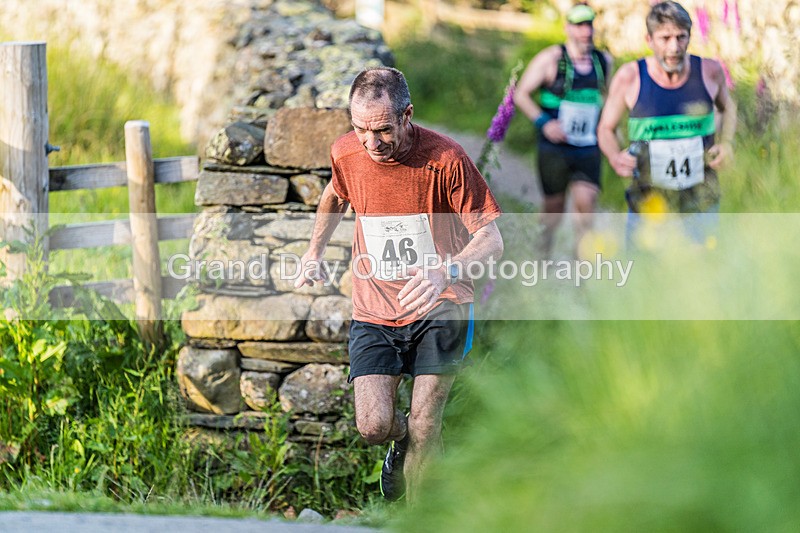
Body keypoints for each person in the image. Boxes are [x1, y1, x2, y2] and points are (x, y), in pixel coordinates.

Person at [293, 67, 503, 502]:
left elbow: (491, 239)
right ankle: (399, 440)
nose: (371, 143)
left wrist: (446, 270)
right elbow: (335, 194)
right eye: (360, 130)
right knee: (373, 425)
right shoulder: (347, 153)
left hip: (442, 303)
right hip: (374, 310)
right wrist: (314, 250)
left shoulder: (446, 159)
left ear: (407, 115)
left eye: (384, 130)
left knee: (428, 423)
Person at [597, 0, 736, 243]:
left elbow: (728, 107)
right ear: (649, 39)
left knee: (702, 277)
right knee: (646, 277)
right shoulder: (630, 77)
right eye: (665, 38)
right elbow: (605, 129)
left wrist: (726, 143)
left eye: (681, 37)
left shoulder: (709, 71)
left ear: (690, 37)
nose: (674, 47)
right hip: (648, 204)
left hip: (701, 203)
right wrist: (615, 157)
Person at [513, 2, 613, 258]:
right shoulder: (551, 59)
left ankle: (581, 268)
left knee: (586, 204)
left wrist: (610, 132)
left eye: (589, 24)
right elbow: (521, 94)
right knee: (554, 211)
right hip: (555, 149)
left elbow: (607, 98)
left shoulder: (603, 61)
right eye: (579, 25)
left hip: (587, 147)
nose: (586, 31)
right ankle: (542, 253)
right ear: (568, 28)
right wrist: (544, 123)